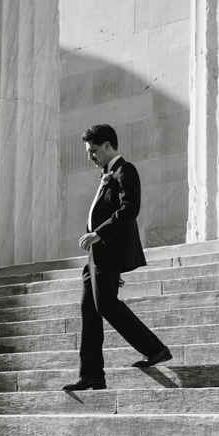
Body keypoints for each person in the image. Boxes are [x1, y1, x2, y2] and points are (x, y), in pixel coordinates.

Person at [63, 124, 172, 391]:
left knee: (106, 305)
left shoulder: (125, 170)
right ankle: (91, 375)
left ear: (108, 146)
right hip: (95, 256)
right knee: (89, 311)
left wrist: (99, 234)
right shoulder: (106, 174)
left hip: (106, 251)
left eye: (93, 150)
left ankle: (155, 348)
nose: (90, 156)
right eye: (89, 151)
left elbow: (130, 209)